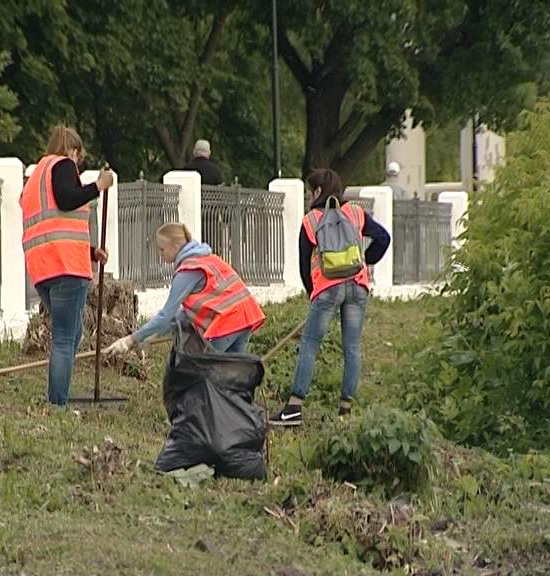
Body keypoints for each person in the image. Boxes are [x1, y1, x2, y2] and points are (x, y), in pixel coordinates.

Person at [269, 168, 391, 426]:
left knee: (310, 346)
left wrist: (312, 292)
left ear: (316, 191)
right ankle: (345, 412)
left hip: (327, 288)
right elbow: (383, 238)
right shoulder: (356, 213)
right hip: (357, 286)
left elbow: (304, 265)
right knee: (353, 349)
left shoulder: (311, 219)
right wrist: (364, 261)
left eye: (308, 192)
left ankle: (294, 408)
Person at [20, 124, 114, 406]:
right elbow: (67, 198)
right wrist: (98, 187)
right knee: (64, 338)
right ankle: (57, 404)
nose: (77, 161)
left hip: (43, 267)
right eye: (78, 155)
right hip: (66, 268)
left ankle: (57, 396)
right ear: (72, 150)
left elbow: (54, 223)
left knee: (72, 334)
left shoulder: (36, 176)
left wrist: (90, 252)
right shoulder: (62, 166)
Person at [103, 222, 265, 356]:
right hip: (245, 317)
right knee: (233, 380)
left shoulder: (187, 271)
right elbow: (182, 316)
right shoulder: (206, 258)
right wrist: (146, 336)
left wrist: (130, 340)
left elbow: (166, 315)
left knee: (200, 378)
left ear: (175, 246)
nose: (160, 255)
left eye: (162, 249)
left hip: (227, 323)